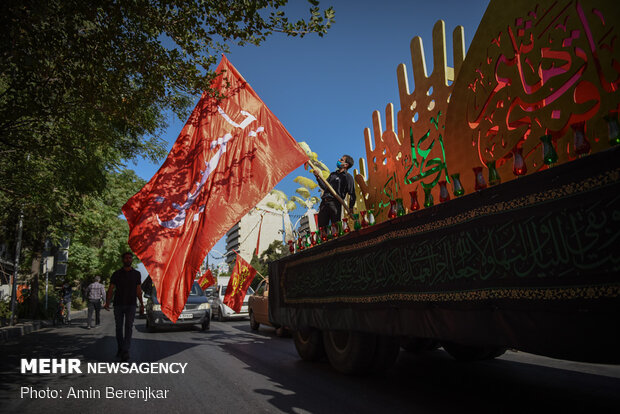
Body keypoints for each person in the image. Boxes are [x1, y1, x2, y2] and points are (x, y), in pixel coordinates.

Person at [105, 252, 144, 362]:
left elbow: (138, 290)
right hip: (118, 304)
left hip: (131, 304)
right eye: (126, 258)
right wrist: (107, 302)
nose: (128, 259)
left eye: (129, 258)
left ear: (132, 260)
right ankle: (121, 348)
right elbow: (111, 288)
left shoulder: (137, 274)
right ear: (123, 260)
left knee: (128, 327)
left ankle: (125, 350)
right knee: (118, 327)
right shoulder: (116, 274)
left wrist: (141, 304)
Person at [313, 154, 356, 229]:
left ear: (346, 165)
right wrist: (318, 177)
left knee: (336, 228)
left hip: (335, 204)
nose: (339, 160)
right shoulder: (333, 175)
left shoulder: (348, 177)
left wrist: (351, 208)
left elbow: (352, 193)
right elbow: (325, 187)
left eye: (341, 160)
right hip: (324, 203)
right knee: (322, 228)